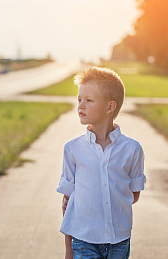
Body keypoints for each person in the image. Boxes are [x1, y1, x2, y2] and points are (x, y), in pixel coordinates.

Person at [56, 66, 146, 259]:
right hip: (83, 240)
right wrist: (68, 249)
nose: (81, 105)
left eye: (89, 100)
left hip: (119, 241)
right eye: (79, 99)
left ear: (109, 107)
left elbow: (133, 195)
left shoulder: (132, 150)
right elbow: (68, 204)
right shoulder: (72, 150)